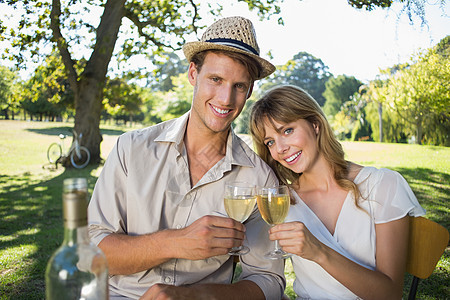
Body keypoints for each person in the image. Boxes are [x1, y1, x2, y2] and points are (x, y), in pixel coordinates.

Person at [88, 16, 286, 300]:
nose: (226, 99)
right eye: (215, 79)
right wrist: (175, 243)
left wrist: (195, 296)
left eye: (239, 86)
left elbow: (268, 280)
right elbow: (92, 256)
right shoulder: (130, 149)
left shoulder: (257, 177)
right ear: (193, 73)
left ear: (250, 90)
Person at [249, 85, 426, 299]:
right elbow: (264, 272)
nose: (280, 149)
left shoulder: (382, 185)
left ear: (315, 124)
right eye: (270, 142)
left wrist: (318, 251)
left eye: (287, 130)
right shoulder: (281, 201)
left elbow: (390, 295)